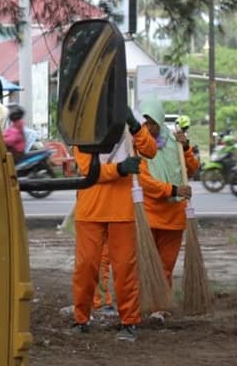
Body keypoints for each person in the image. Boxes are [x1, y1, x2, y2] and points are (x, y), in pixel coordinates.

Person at [70, 109, 157, 341]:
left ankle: (129, 322)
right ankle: (81, 318)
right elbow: (89, 170)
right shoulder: (84, 127)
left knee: (124, 268)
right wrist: (120, 169)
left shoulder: (131, 122)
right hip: (90, 209)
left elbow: (150, 150)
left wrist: (136, 126)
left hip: (123, 210)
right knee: (86, 267)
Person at [137, 98, 200, 318]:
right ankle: (142, 303)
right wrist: (173, 190)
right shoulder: (139, 146)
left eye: (152, 122)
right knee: (145, 264)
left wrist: (186, 148)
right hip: (149, 214)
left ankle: (160, 307)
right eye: (144, 123)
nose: (148, 127)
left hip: (174, 216)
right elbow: (144, 181)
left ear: (160, 121)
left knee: (166, 266)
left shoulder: (175, 143)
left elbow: (191, 170)